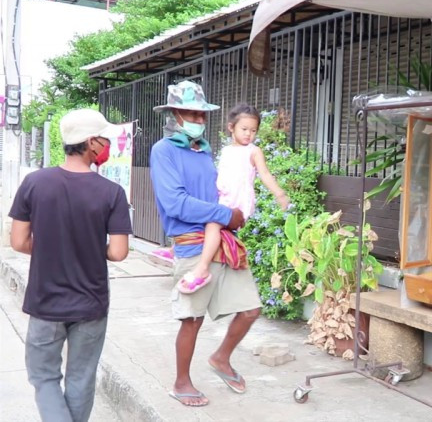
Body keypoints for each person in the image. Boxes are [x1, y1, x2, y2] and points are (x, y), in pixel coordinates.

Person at [9, 108, 132, 422]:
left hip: (46, 303)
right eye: (104, 139)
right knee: (80, 379)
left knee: (44, 376)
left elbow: (19, 242)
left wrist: (54, 245)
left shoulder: (34, 183)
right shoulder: (112, 193)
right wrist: (89, 245)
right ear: (91, 142)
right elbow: (118, 253)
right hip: (91, 305)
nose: (108, 145)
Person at [149, 81, 263, 407]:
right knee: (192, 319)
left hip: (222, 241)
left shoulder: (205, 150)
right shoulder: (163, 150)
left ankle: (221, 358)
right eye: (190, 112)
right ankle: (181, 382)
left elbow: (219, 190)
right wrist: (225, 213)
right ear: (174, 114)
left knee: (251, 309)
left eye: (201, 112)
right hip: (191, 245)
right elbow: (175, 204)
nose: (198, 117)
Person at [176, 103, 290, 294]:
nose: (249, 134)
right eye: (244, 129)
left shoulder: (254, 151)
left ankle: (202, 269)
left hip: (237, 202)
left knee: (213, 225)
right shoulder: (227, 150)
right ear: (231, 128)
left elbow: (265, 174)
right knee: (202, 219)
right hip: (222, 198)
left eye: (253, 130)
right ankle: (177, 251)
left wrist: (279, 193)